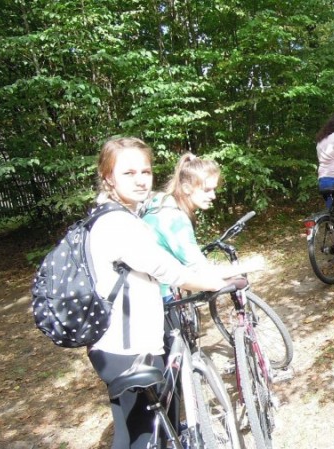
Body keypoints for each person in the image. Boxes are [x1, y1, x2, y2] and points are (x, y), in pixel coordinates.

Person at [87, 137, 230, 449]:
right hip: (128, 346)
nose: (140, 180)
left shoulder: (119, 212)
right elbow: (166, 268)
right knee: (142, 434)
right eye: (128, 173)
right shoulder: (116, 222)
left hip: (121, 342)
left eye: (146, 171)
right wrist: (212, 283)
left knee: (138, 430)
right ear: (108, 177)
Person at [142, 152, 260, 302]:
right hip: (157, 297)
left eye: (214, 189)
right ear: (186, 188)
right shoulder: (174, 219)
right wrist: (248, 266)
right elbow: (202, 271)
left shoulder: (162, 206)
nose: (213, 196)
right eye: (207, 190)